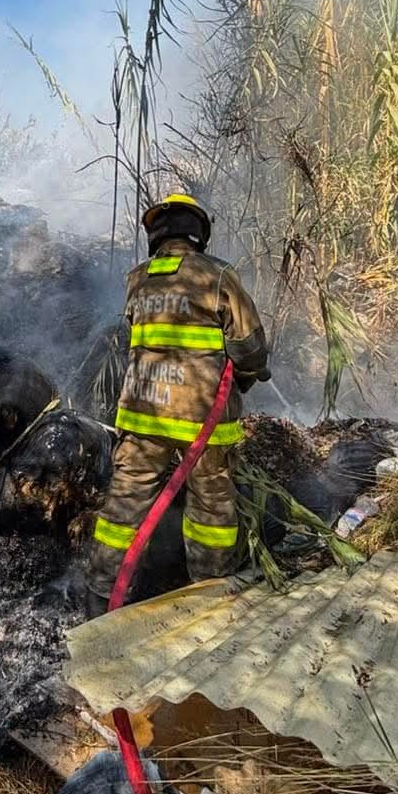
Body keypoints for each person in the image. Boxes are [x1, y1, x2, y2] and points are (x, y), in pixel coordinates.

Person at [85, 193, 270, 618]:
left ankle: (98, 595)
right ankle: (208, 594)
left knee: (124, 506)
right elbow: (249, 346)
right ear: (197, 232)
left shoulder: (136, 280)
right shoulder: (217, 277)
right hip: (202, 420)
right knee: (211, 509)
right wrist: (247, 374)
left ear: (156, 234)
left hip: (143, 415)